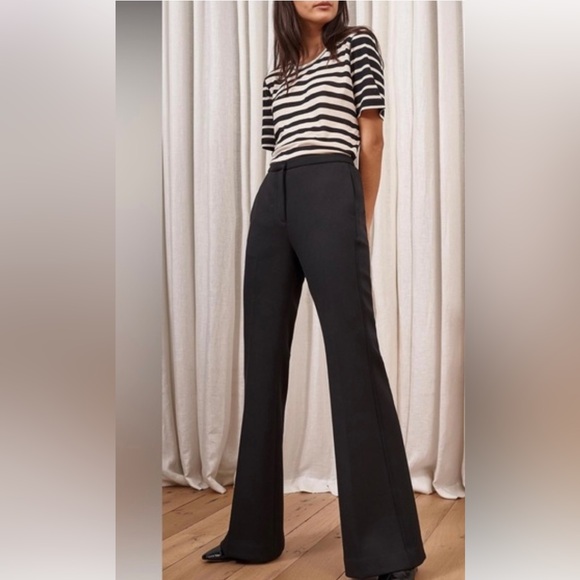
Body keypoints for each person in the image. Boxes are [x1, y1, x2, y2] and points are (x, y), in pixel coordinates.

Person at [201, 2, 426, 579]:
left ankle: (386, 549)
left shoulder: (356, 46)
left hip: (331, 188)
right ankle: (251, 536)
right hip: (273, 199)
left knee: (353, 358)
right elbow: (278, 148)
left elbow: (371, 141)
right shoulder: (274, 74)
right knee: (262, 365)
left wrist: (360, 219)